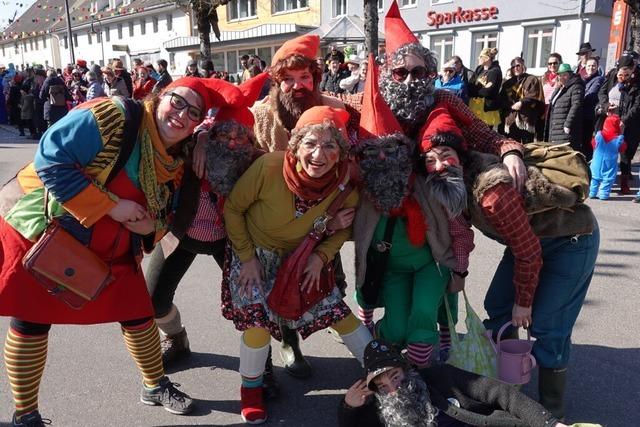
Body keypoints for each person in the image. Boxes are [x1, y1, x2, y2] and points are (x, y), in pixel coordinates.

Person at [0, 76, 238, 425]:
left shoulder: (177, 157)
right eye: (177, 102)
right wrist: (111, 206)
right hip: (49, 228)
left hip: (113, 240)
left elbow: (167, 213)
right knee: (32, 317)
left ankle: (154, 385)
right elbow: (52, 158)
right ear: (159, 97)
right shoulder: (115, 115)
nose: (181, 115)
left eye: (194, 113)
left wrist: (149, 228)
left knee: (137, 313)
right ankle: (26, 414)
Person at [421, 127, 599, 421]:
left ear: (461, 159)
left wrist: (525, 301)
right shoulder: (453, 188)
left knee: (547, 326)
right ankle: (508, 386)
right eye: (430, 161)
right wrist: (460, 270)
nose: (438, 166)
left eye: (445, 157)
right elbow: (463, 233)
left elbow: (528, 251)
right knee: (498, 307)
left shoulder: (491, 194)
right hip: (527, 241)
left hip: (570, 241)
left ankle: (551, 411)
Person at [222, 106, 372, 424]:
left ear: (341, 152)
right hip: (255, 254)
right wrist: (247, 258)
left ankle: (381, 373)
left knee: (338, 314)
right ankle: (251, 390)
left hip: (304, 257)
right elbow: (234, 209)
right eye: (311, 144)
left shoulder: (345, 184)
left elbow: (344, 227)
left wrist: (321, 256)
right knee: (257, 325)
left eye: (330, 146)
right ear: (295, 145)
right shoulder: (268, 167)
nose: (319, 155)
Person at [353, 59, 473, 368]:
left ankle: (424, 372)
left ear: (404, 153)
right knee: (395, 329)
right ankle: (383, 343)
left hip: (430, 264)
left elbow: (460, 231)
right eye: (373, 153)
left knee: (421, 320)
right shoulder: (361, 194)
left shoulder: (428, 187)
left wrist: (459, 270)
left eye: (390, 150)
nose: (383, 158)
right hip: (393, 269)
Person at [145, 74, 267, 369]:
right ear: (212, 135)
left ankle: (262, 363)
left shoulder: (256, 163)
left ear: (250, 141)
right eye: (224, 136)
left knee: (253, 304)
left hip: (231, 241)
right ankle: (176, 338)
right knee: (153, 301)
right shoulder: (193, 146)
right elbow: (187, 130)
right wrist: (200, 137)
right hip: (182, 235)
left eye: (240, 137)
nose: (232, 143)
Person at [248, 35, 348, 378]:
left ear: (315, 78)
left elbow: (359, 142)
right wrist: (203, 138)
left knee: (331, 280)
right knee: (282, 285)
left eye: (304, 78)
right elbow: (240, 149)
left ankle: (338, 324)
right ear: (277, 80)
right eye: (288, 79)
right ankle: (289, 342)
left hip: (324, 212)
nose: (297, 86)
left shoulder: (335, 107)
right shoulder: (262, 114)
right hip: (279, 218)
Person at [377, 0, 526, 189]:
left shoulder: (442, 98)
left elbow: (486, 136)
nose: (409, 81)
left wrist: (511, 153)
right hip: (389, 189)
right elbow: (334, 103)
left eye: (417, 72)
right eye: (400, 72)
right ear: (388, 75)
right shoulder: (375, 103)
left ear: (428, 73)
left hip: (433, 187)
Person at [338, 339, 578, 427]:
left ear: (406, 370)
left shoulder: (441, 377)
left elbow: (500, 393)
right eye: (382, 386)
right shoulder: (381, 410)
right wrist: (348, 407)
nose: (393, 389)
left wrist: (549, 423)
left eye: (395, 376)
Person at [596, 54, 640, 195]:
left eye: (627, 72)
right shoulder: (612, 76)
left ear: (633, 70)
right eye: (621, 72)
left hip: (629, 122)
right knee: (606, 152)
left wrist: (624, 121)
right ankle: (601, 181)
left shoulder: (637, 82)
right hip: (610, 120)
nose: (623, 75)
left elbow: (637, 105)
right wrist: (606, 105)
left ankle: (624, 183)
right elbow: (602, 93)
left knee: (626, 153)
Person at [499, 57, 544, 143]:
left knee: (527, 148)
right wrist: (511, 105)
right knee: (513, 146)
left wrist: (521, 103)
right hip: (511, 119)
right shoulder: (507, 84)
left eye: (518, 65)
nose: (515, 68)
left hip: (527, 119)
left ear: (523, 66)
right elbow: (502, 100)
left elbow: (535, 96)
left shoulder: (532, 79)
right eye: (513, 66)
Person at [544, 63, 584, 150]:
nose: (562, 77)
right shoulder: (560, 88)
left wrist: (567, 125)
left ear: (570, 75)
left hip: (565, 130)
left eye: (565, 75)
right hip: (555, 129)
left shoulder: (576, 86)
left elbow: (576, 105)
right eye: (560, 75)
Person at [589, 115, 627, 200]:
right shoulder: (618, 139)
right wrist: (621, 134)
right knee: (607, 179)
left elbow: (593, 144)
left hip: (596, 163)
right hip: (609, 164)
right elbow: (623, 148)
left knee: (594, 178)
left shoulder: (599, 135)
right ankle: (603, 194)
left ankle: (592, 192)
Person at [467, 47, 502, 127]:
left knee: (485, 131)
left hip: (486, 108)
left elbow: (487, 91)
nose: (478, 58)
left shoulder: (495, 71)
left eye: (480, 57)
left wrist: (475, 91)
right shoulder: (479, 69)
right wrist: (476, 91)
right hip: (474, 105)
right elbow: (470, 84)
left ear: (486, 58)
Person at [581, 57, 605, 160]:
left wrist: (577, 99)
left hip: (589, 115)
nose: (591, 68)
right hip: (582, 113)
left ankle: (588, 162)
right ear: (585, 67)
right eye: (589, 65)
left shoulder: (598, 79)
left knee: (587, 141)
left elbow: (590, 94)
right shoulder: (583, 79)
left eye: (593, 65)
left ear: (597, 67)